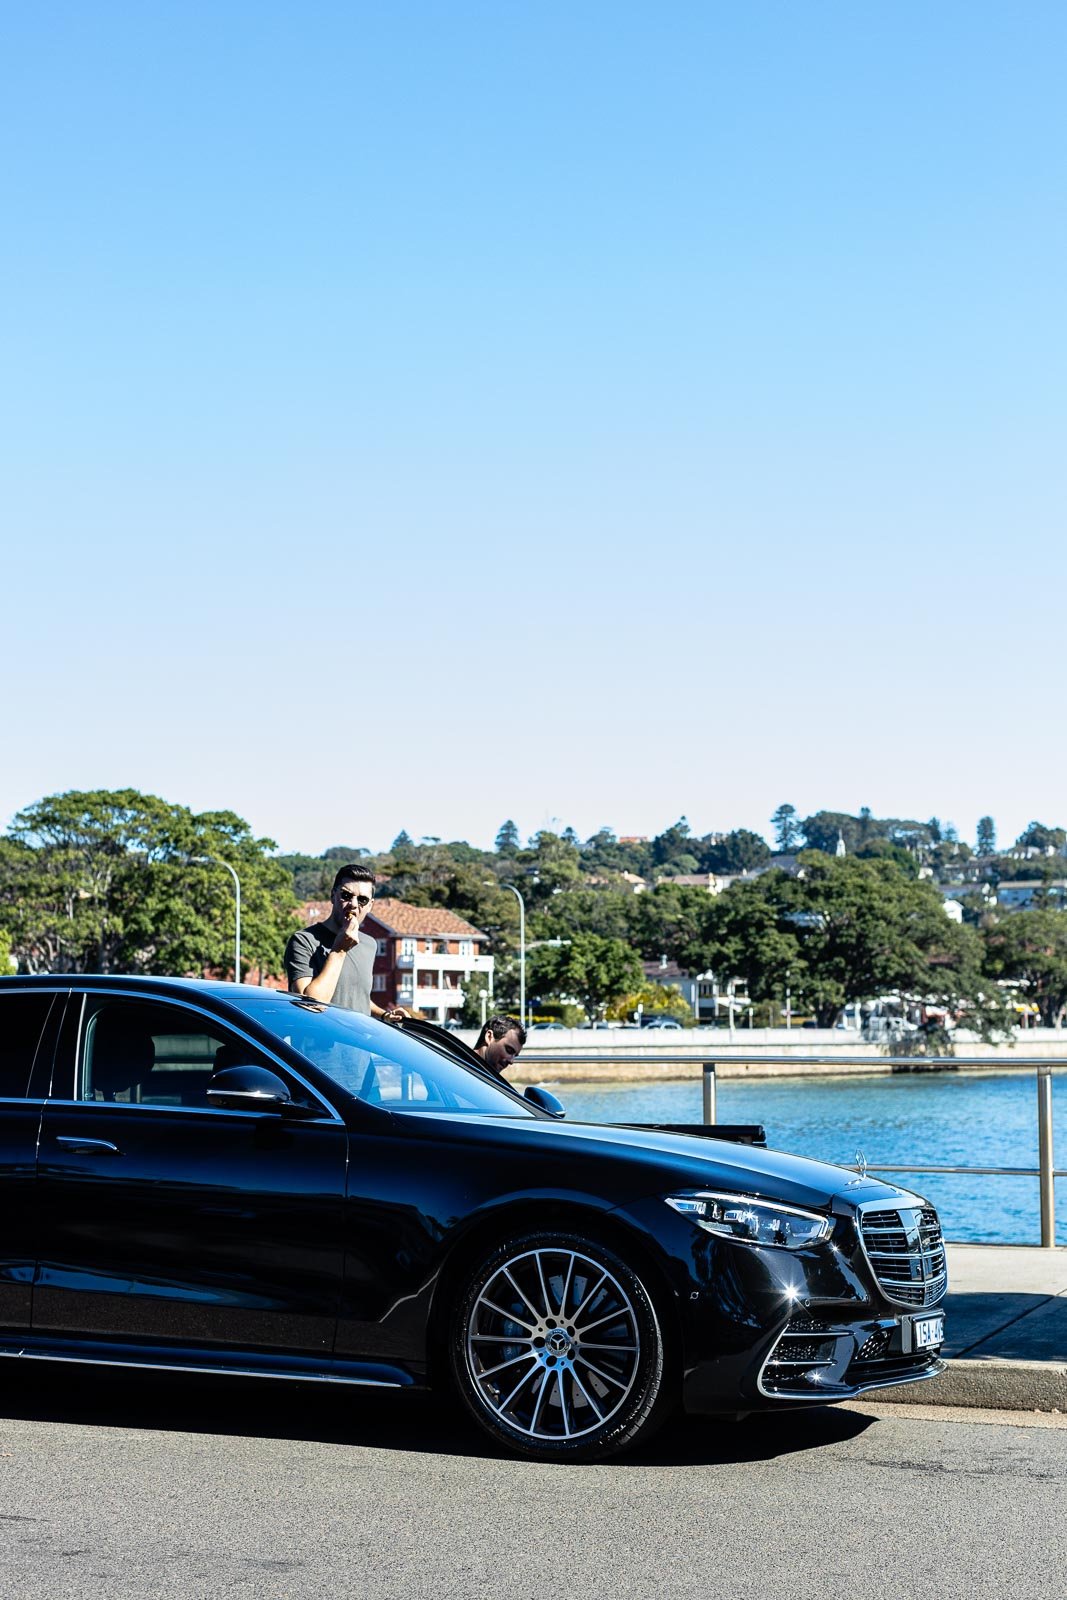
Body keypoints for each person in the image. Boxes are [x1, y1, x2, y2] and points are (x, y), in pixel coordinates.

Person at [284, 864, 403, 1019]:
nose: (353, 904)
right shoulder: (303, 941)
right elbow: (310, 1006)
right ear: (333, 895)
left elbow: (357, 1000)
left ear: (370, 905)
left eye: (362, 899)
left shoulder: (369, 944)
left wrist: (385, 1015)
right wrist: (339, 951)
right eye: (346, 895)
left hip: (358, 1042)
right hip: (318, 1042)